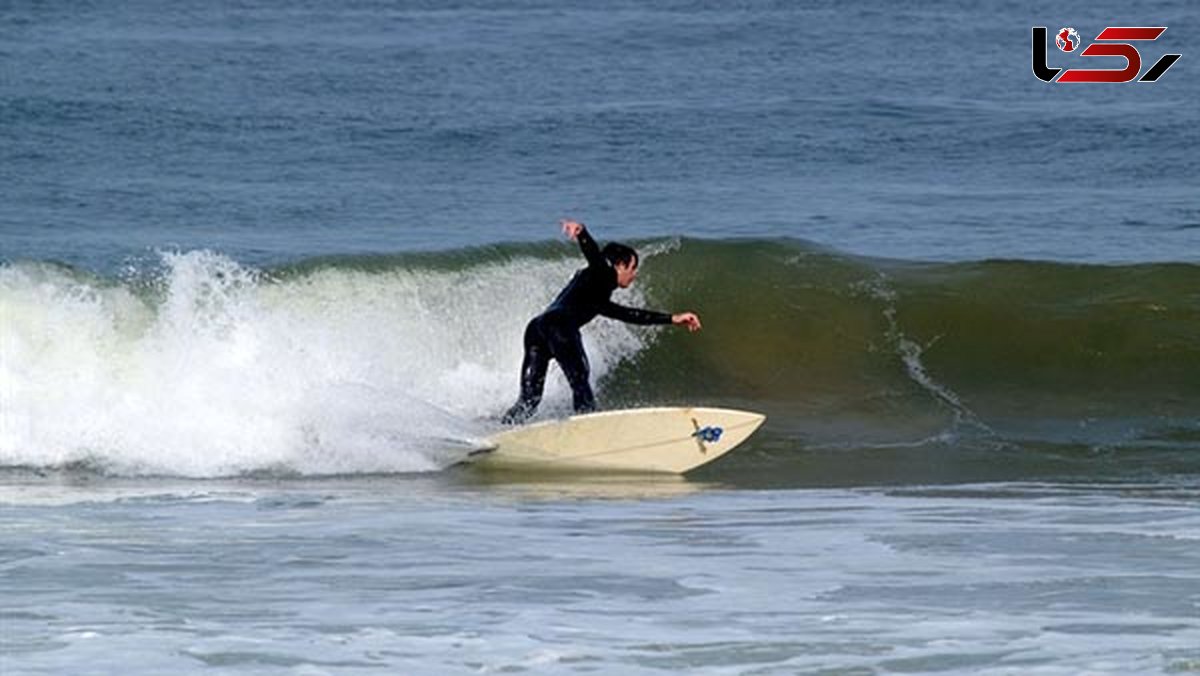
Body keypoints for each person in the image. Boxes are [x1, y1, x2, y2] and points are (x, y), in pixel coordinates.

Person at [501, 219, 702, 424]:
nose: (634, 274)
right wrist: (582, 233)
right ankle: (588, 427)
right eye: (633, 268)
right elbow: (595, 257)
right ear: (620, 265)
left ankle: (504, 427)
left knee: (529, 400)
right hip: (559, 327)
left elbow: (629, 314)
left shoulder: (595, 293)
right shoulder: (603, 274)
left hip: (537, 328)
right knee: (580, 381)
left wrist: (671, 318)